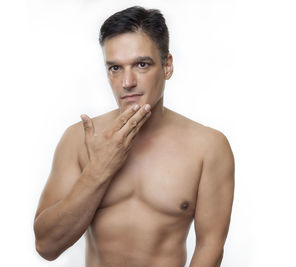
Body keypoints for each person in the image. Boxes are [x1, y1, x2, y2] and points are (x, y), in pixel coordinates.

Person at [33, 6, 235, 267]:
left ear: (167, 66)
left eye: (141, 64)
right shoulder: (78, 140)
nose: (127, 82)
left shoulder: (208, 147)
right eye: (115, 68)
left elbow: (211, 247)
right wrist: (98, 171)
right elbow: (46, 246)